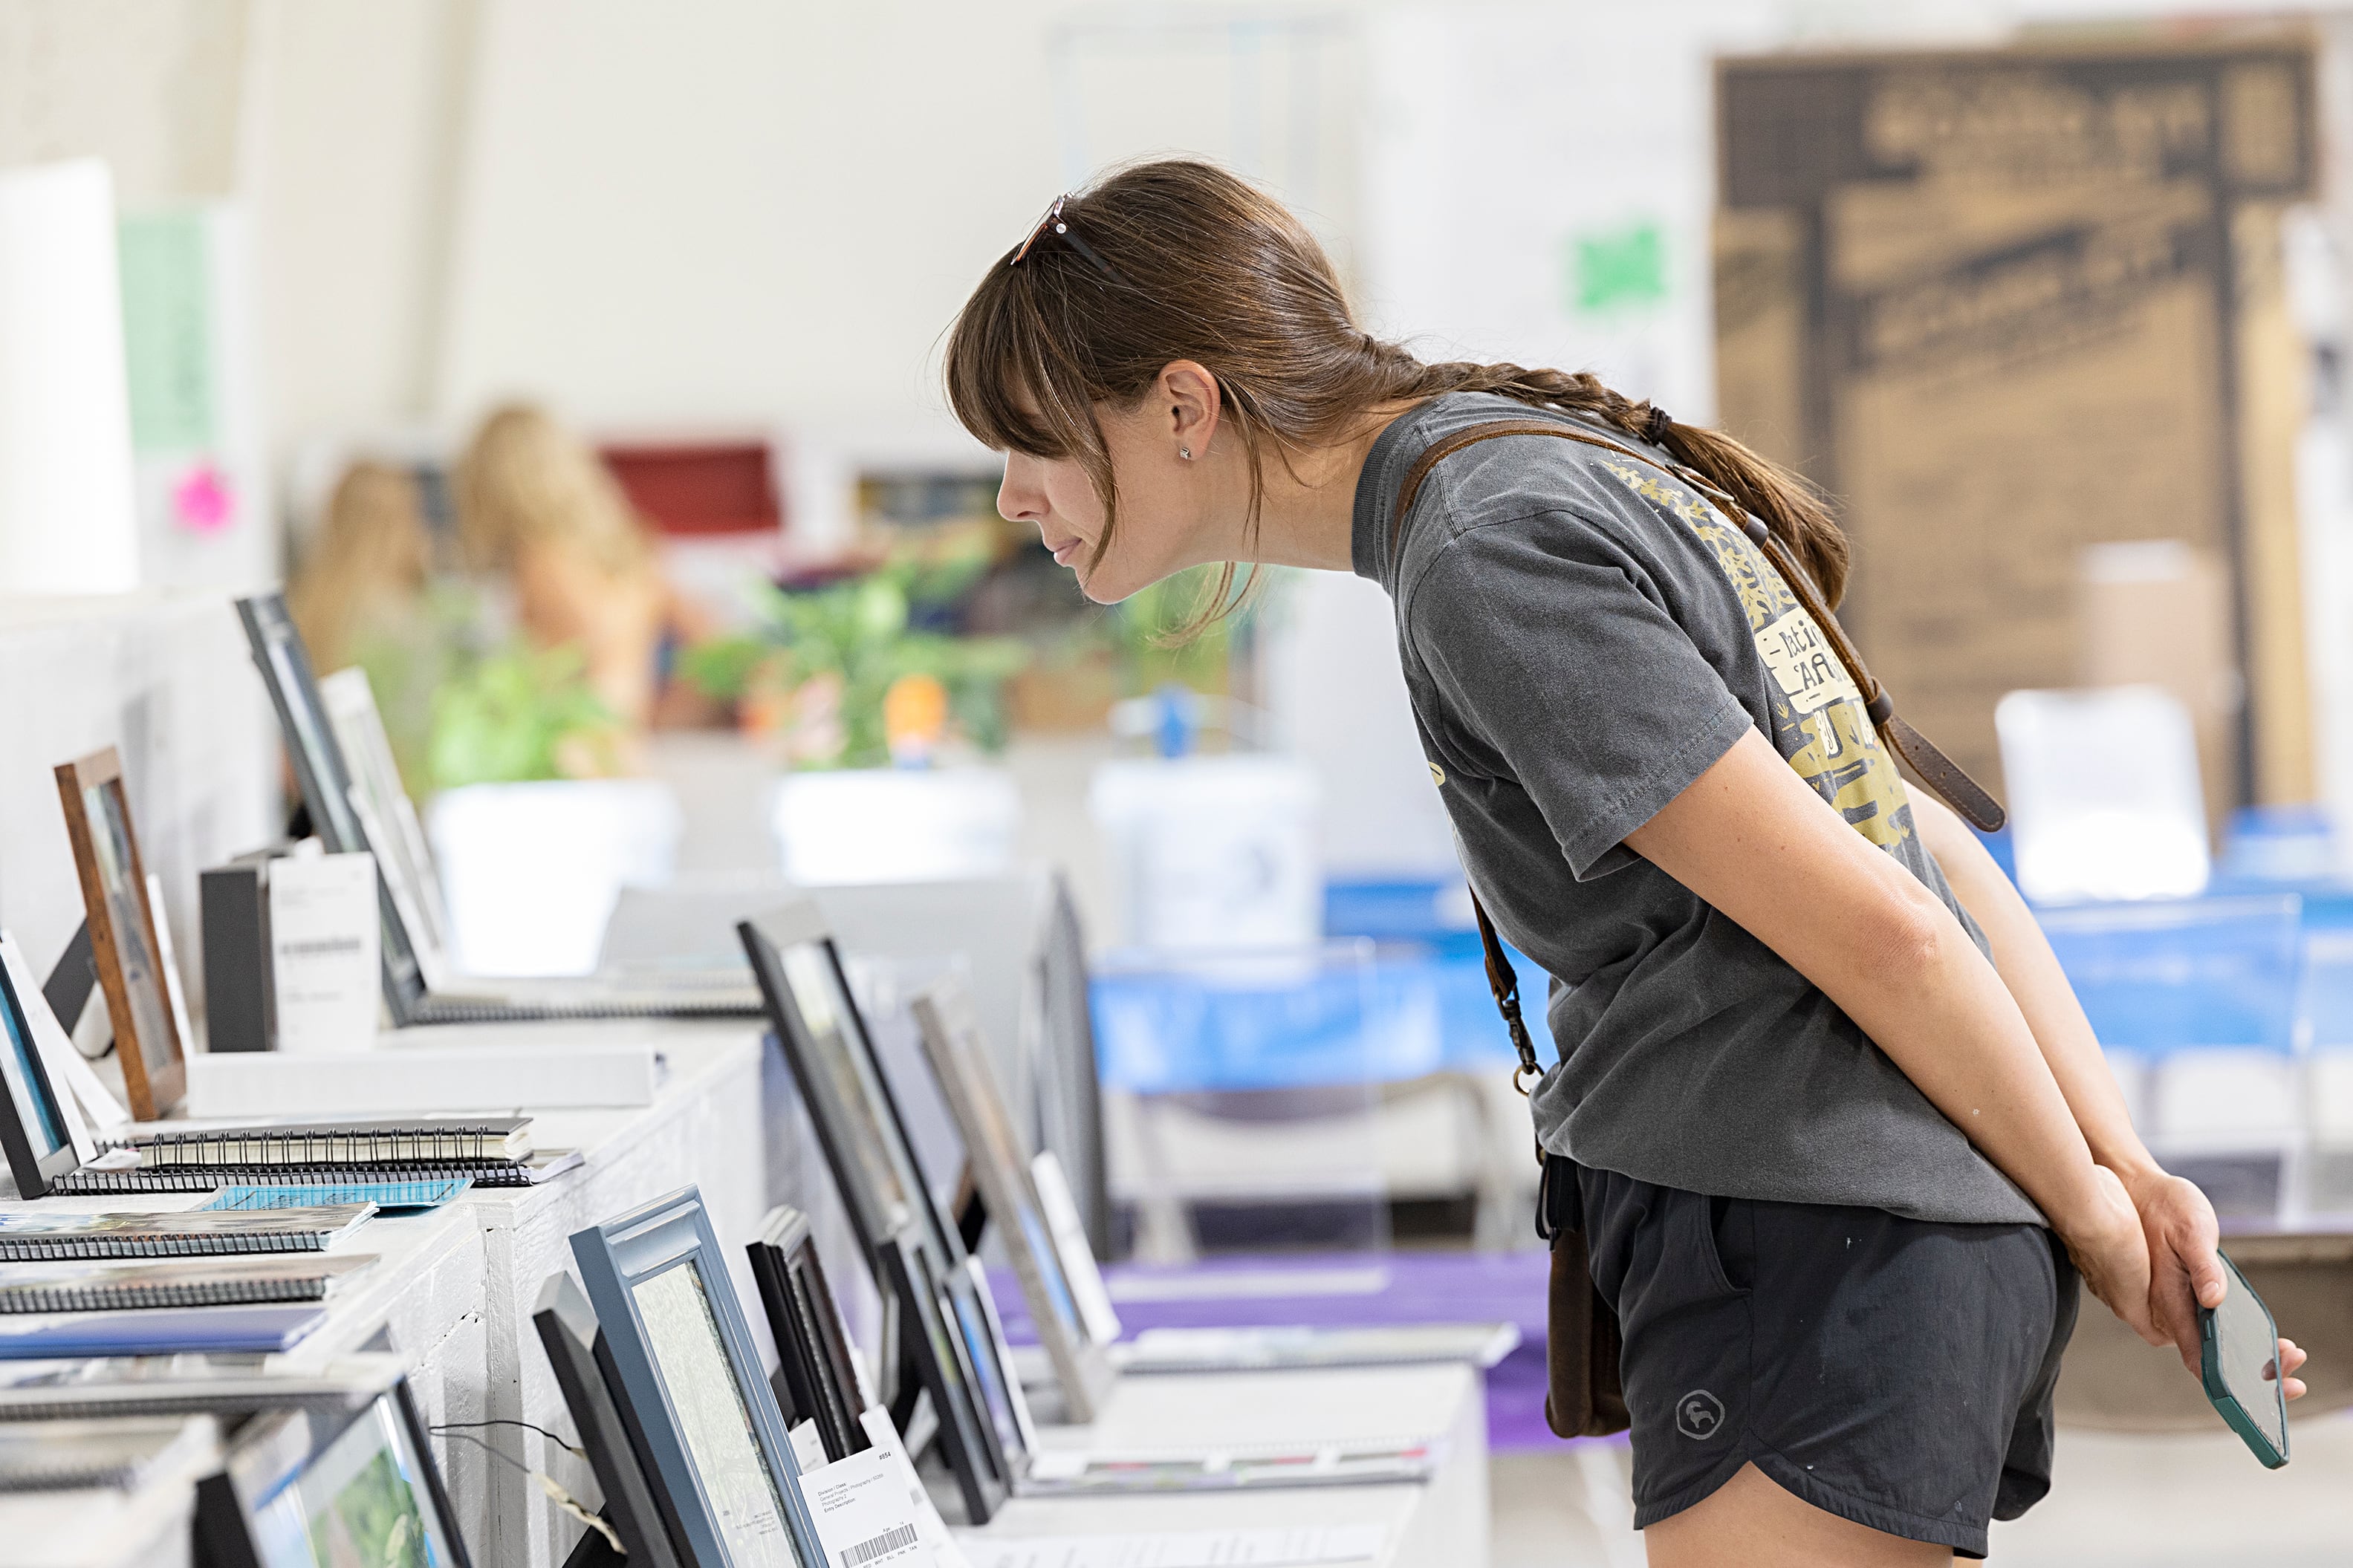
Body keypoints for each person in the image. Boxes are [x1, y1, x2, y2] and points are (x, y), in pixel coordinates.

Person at [942, 160, 2310, 1566]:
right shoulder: (1523, 468)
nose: (1007, 497)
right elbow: (1929, 849)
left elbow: (1888, 927)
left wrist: (2096, 1208)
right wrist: (2113, 1166)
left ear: (1182, 406)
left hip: (1812, 1244)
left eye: (1030, 440)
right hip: (1870, 1244)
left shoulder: (1483, 548)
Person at [453, 403, 712, 729]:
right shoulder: (632, 549)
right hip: (622, 746)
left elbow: (559, 673)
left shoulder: (540, 561)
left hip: (568, 748)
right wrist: (662, 717)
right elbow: (708, 639)